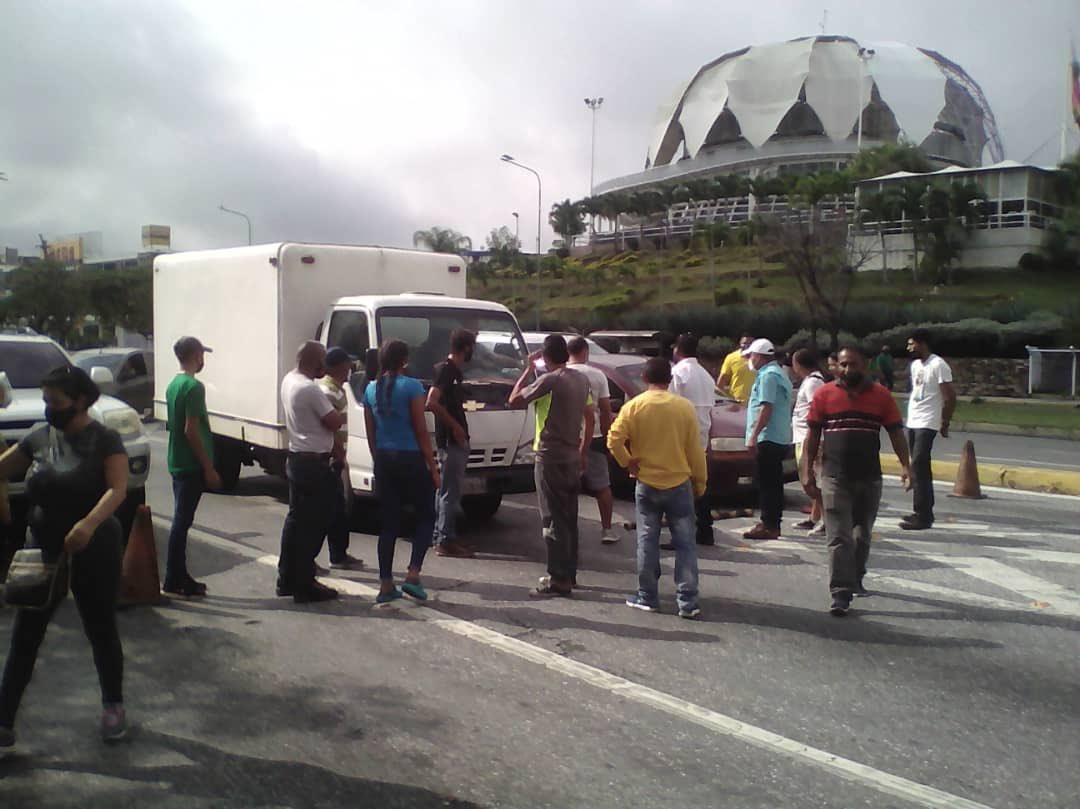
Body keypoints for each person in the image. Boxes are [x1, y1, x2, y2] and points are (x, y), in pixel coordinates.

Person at [0, 367, 130, 753]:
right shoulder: (39, 437)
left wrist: (88, 525)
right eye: (46, 401)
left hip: (95, 545)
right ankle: (3, 721)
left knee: (100, 627)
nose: (48, 408)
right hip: (43, 547)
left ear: (79, 400)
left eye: (55, 402)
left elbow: (118, 489)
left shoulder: (104, 439)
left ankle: (113, 707)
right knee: (26, 633)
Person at [803, 347, 912, 616]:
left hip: (869, 477)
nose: (848, 370)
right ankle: (840, 592)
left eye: (853, 364)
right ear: (836, 366)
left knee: (862, 535)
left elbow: (896, 433)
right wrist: (806, 471)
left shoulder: (881, 396)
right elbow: (812, 437)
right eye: (843, 364)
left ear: (866, 365)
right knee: (839, 536)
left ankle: (856, 576)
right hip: (834, 476)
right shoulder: (824, 394)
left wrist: (906, 466)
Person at [608, 358, 707, 619]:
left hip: (647, 483)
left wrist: (628, 462)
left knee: (647, 540)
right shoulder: (684, 408)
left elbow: (613, 439)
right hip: (679, 482)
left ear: (644, 377)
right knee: (686, 543)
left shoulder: (634, 406)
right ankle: (688, 601)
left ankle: (647, 596)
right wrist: (700, 480)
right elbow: (694, 450)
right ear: (671, 379)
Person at [509, 334, 593, 597]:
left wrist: (527, 370)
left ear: (545, 357)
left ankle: (558, 578)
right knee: (569, 516)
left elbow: (514, 400)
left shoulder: (550, 380)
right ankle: (570, 572)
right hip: (570, 453)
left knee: (552, 517)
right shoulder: (581, 378)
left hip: (550, 455)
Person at [364, 339, 441, 604]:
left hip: (385, 459)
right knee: (426, 516)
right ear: (404, 360)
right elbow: (421, 430)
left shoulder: (371, 389)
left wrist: (378, 461)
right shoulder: (412, 387)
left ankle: (386, 584)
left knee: (389, 523)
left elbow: (370, 433)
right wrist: (433, 466)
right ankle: (413, 574)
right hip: (411, 458)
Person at [276, 341, 344, 604]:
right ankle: (304, 583)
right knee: (315, 523)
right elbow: (333, 421)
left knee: (295, 522)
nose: (325, 367)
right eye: (322, 362)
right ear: (313, 362)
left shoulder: (289, 380)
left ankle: (287, 577)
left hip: (297, 458)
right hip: (312, 463)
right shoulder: (310, 389)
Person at [164, 336, 221, 598]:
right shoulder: (194, 387)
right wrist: (208, 467)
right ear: (196, 355)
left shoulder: (173, 385)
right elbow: (191, 430)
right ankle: (176, 577)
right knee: (181, 522)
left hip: (177, 460)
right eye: (202, 355)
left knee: (180, 520)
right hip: (190, 463)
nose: (203, 360)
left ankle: (175, 575)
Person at [427, 329, 477, 559]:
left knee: (445, 490)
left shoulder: (452, 371)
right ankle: (445, 540)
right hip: (450, 439)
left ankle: (441, 535)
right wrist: (455, 427)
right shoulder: (447, 371)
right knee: (450, 491)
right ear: (466, 348)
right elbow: (432, 402)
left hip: (453, 439)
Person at [566, 336, 619, 544]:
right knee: (602, 486)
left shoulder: (560, 374)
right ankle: (607, 529)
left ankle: (568, 529)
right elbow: (605, 410)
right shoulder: (597, 375)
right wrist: (607, 436)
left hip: (568, 437)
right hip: (594, 436)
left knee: (567, 487)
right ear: (585, 352)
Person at [903, 330, 955, 530]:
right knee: (918, 467)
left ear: (922, 343)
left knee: (919, 464)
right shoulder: (915, 365)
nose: (908, 348)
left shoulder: (938, 365)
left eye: (911, 344)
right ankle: (919, 510)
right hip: (914, 421)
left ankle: (924, 515)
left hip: (928, 422)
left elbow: (950, 396)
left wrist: (945, 421)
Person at [743, 338, 794, 540]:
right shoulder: (777, 373)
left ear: (761, 356)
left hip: (768, 437)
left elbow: (766, 407)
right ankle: (771, 521)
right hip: (778, 436)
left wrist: (754, 436)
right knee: (773, 483)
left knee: (767, 484)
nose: (750, 359)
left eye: (752, 355)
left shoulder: (768, 376)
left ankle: (769, 524)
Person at [668, 333, 717, 545]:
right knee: (699, 486)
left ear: (677, 350)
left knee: (677, 488)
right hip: (702, 437)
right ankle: (705, 530)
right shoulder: (705, 375)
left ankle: (680, 535)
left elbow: (669, 407)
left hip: (681, 437)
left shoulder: (678, 373)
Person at [318, 347, 363, 570]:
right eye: (347, 364)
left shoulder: (337, 389)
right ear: (337, 367)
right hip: (329, 457)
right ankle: (328, 555)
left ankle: (338, 554)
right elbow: (328, 428)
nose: (350, 369)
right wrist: (339, 455)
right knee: (329, 510)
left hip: (335, 456)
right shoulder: (327, 391)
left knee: (337, 509)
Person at [790, 349, 827, 536]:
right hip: (801, 436)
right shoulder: (809, 380)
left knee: (812, 482)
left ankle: (827, 520)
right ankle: (814, 517)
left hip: (810, 438)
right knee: (811, 480)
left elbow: (817, 408)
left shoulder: (814, 382)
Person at [717, 334, 756, 405]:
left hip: (755, 405)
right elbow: (721, 384)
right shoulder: (731, 358)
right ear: (740, 343)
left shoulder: (760, 359)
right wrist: (728, 401)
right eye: (744, 343)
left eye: (750, 344)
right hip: (736, 405)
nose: (747, 346)